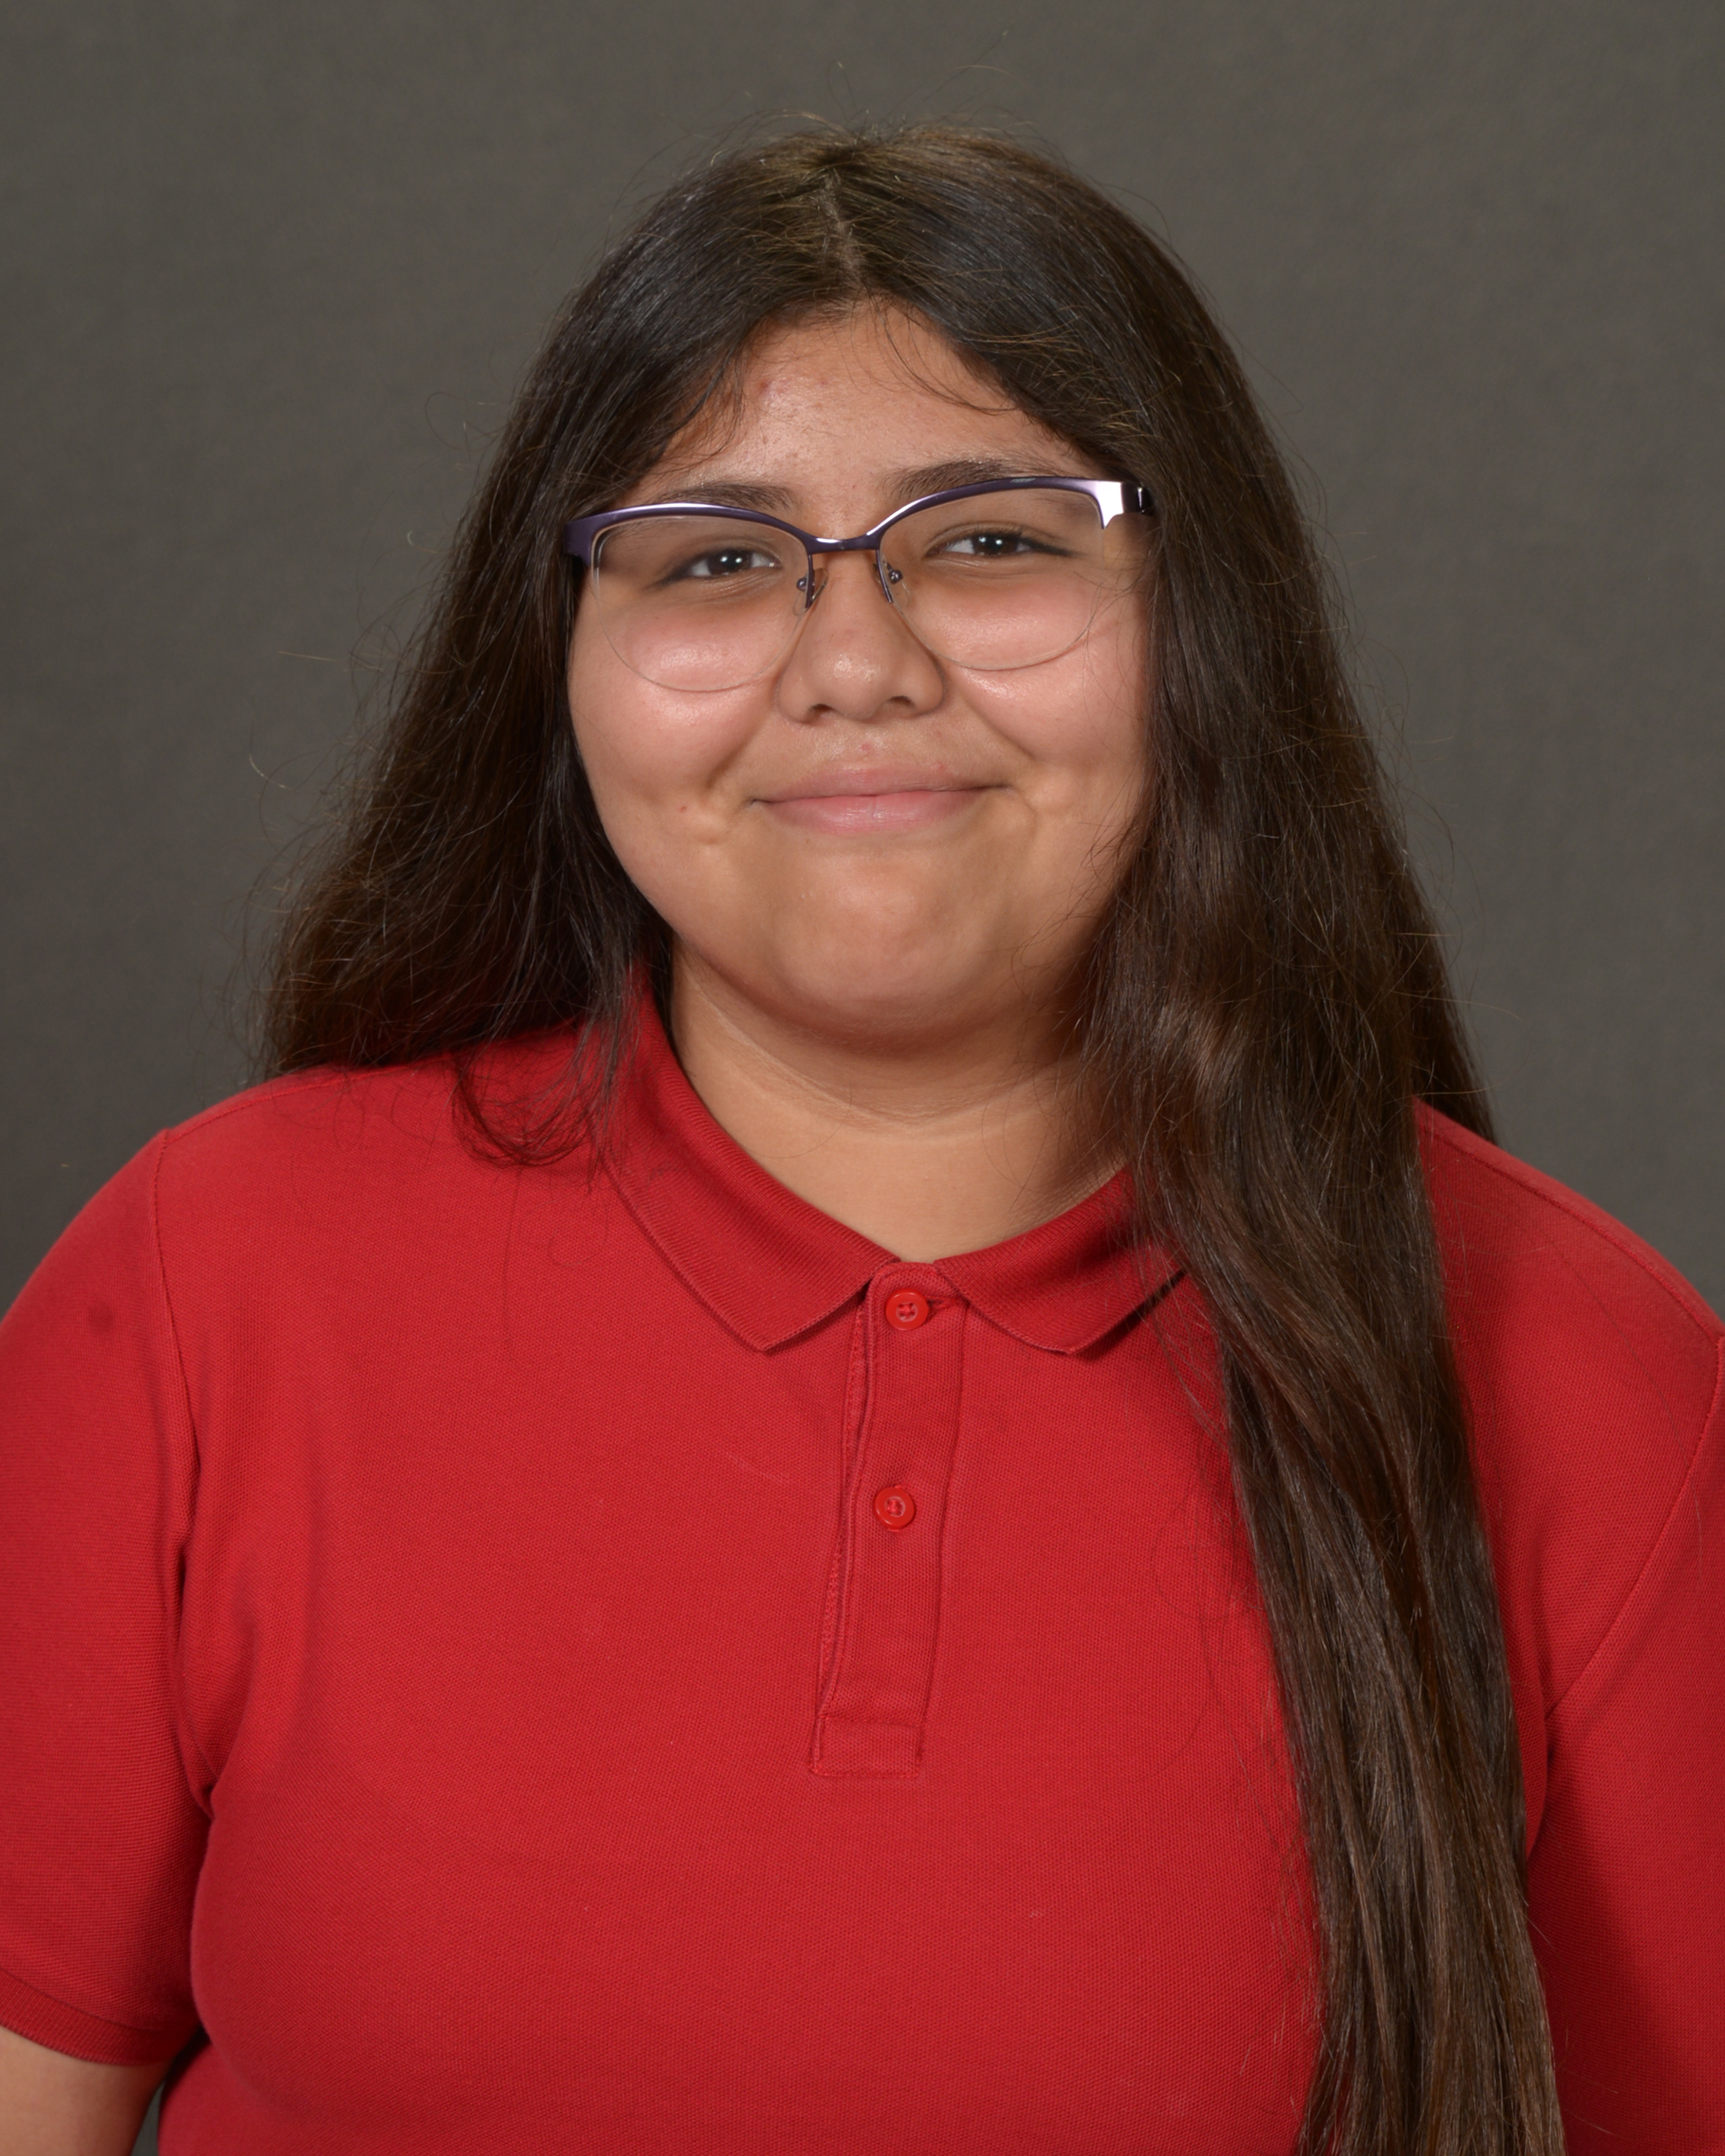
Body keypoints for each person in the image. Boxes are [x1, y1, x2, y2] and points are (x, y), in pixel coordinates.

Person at [0, 122, 1719, 2156]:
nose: (855, 666)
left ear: (1207, 624)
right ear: (563, 662)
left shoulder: (1587, 1379)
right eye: (716, 559)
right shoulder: (209, 1288)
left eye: (990, 542)